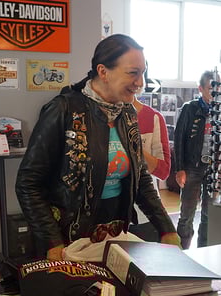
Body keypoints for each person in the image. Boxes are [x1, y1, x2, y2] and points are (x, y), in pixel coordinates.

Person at [15, 34, 180, 260]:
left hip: (114, 234)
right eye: (133, 73)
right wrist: (53, 242)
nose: (140, 82)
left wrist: (166, 228)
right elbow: (28, 183)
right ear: (103, 71)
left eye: (143, 73)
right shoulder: (63, 110)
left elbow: (141, 178)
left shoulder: (127, 114)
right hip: (67, 241)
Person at [173, 70, 215, 249]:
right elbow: (179, 137)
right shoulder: (190, 108)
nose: (215, 92)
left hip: (213, 169)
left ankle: (203, 251)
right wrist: (180, 168)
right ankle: (181, 250)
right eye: (211, 88)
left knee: (209, 214)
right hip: (192, 166)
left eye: (218, 88)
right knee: (187, 213)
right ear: (201, 89)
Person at [128, 93, 171, 241]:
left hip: (145, 214)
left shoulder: (153, 117)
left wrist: (135, 146)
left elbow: (163, 171)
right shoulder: (98, 116)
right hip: (106, 216)